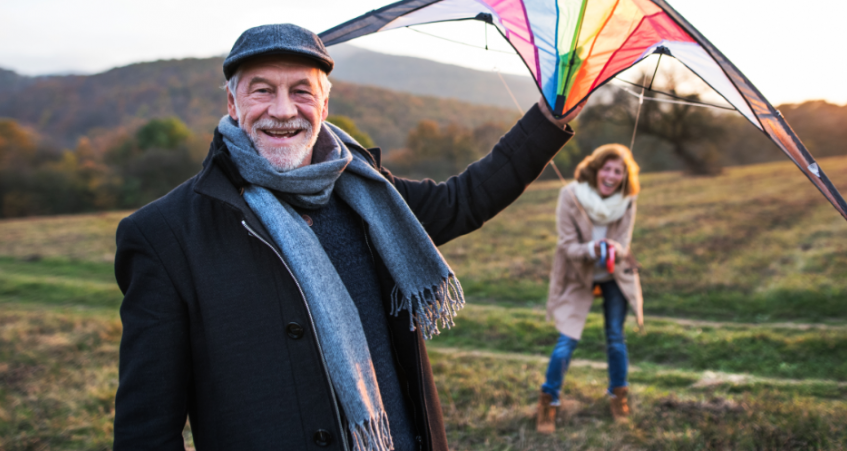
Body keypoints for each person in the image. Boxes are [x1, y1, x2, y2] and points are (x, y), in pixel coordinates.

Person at [113, 23, 581, 451]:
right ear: (233, 105)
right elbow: (147, 429)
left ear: (324, 104)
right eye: (262, 91)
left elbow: (465, 200)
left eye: (301, 91)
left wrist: (549, 118)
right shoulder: (165, 235)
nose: (282, 110)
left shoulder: (370, 194)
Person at [536, 144, 644, 434]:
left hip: (613, 277)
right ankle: (549, 400)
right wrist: (592, 248)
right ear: (596, 169)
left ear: (624, 177)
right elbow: (567, 246)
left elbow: (624, 241)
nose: (611, 176)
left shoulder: (627, 200)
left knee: (615, 338)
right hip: (578, 274)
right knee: (567, 340)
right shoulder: (570, 195)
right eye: (607, 169)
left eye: (618, 171)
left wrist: (615, 249)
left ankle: (618, 396)